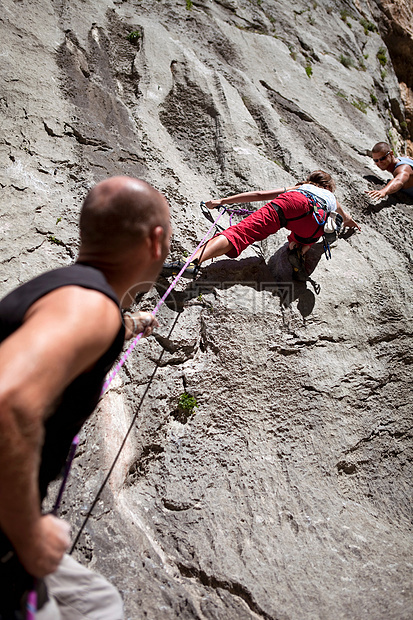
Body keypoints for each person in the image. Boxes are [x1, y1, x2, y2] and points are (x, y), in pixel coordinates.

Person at [0, 176, 171, 619]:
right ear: (156, 241)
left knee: (97, 601)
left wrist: (131, 324)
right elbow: (8, 403)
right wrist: (30, 537)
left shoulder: (71, 293)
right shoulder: (88, 307)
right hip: (7, 531)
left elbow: (91, 327)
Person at [162, 170, 359, 279]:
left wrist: (222, 201)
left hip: (294, 202)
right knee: (302, 239)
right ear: (328, 187)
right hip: (318, 221)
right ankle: (297, 251)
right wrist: (354, 225)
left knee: (239, 233)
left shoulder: (302, 187)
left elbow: (259, 195)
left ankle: (192, 262)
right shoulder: (332, 198)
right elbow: (347, 219)